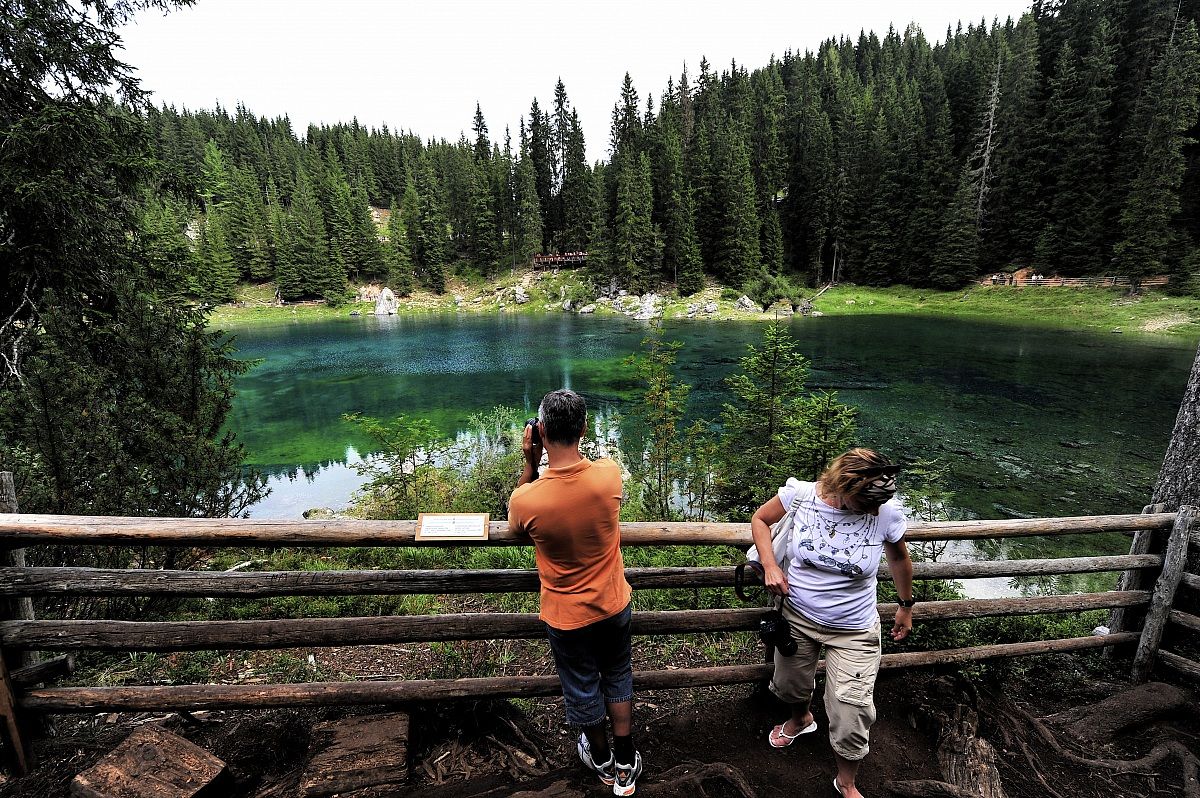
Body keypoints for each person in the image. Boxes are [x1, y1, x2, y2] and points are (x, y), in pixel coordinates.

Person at [750, 448, 915, 798]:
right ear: (840, 487)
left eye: (877, 504)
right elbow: (760, 520)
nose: (873, 511)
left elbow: (899, 557)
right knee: (791, 683)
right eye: (865, 502)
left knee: (852, 709)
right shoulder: (802, 496)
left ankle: (847, 781)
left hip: (854, 627)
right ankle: (801, 719)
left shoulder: (885, 512)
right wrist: (770, 564)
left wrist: (905, 605)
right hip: (797, 615)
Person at [508, 389, 643, 796]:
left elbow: (516, 525)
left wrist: (530, 464)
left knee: (582, 684)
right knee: (617, 674)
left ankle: (600, 759)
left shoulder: (527, 499)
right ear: (584, 428)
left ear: (540, 432)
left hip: (566, 616)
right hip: (614, 602)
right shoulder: (609, 474)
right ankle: (625, 761)